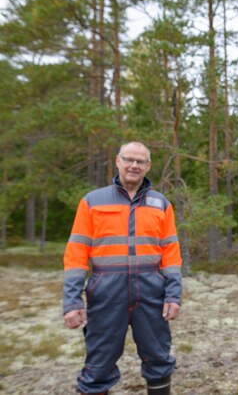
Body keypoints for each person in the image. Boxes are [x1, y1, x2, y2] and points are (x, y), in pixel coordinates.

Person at [63, 141, 183, 395]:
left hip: (151, 293)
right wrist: (72, 300)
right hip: (105, 293)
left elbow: (171, 254)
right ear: (117, 161)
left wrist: (173, 295)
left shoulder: (161, 204)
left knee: (159, 360)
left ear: (148, 166)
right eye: (129, 159)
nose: (134, 165)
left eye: (140, 161)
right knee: (98, 365)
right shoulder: (92, 202)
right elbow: (76, 254)